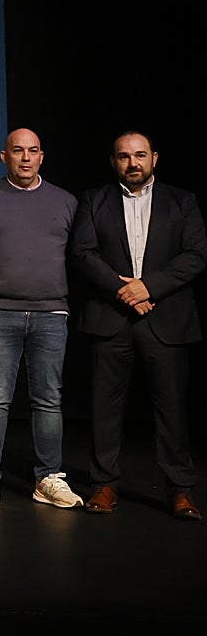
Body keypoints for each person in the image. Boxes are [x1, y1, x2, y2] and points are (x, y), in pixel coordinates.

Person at [70, 130, 206, 521]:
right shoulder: (94, 200)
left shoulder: (183, 201)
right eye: (124, 157)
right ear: (114, 161)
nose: (133, 163)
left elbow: (196, 255)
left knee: (172, 410)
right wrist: (124, 289)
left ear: (155, 159)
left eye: (140, 155)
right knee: (104, 408)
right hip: (110, 319)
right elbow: (82, 252)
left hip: (166, 318)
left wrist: (148, 286)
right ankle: (104, 485)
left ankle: (180, 490)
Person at [0, 128, 82, 508]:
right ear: (3, 156)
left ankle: (49, 478)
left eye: (33, 151)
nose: (26, 158)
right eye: (18, 151)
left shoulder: (65, 202)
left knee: (49, 400)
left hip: (51, 314)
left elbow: (77, 256)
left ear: (42, 156)